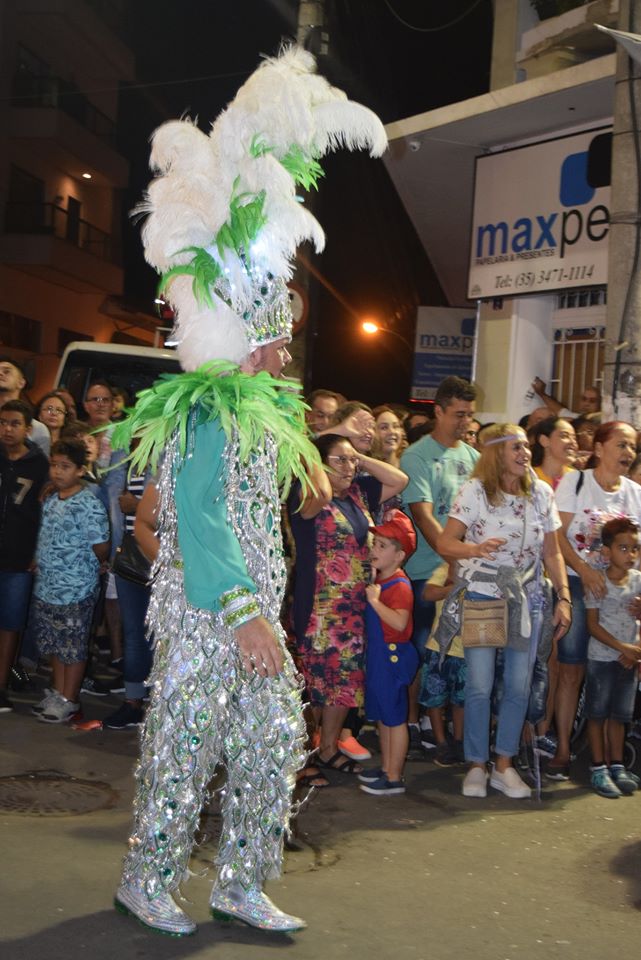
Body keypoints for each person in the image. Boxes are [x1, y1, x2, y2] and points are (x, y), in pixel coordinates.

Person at [111, 45, 387, 936]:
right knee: (186, 743)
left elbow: (265, 509)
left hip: (255, 608)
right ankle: (147, 880)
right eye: (274, 338)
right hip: (210, 611)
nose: (283, 351)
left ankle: (240, 880)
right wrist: (243, 614)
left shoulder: (264, 413)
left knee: (271, 742)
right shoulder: (206, 407)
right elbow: (196, 516)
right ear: (243, 331)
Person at [436, 423, 571, 799]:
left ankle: (504, 764)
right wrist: (474, 550)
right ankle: (476, 765)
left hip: (527, 598)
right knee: (479, 684)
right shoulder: (475, 491)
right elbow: (446, 543)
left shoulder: (541, 493)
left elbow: (553, 553)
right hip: (483, 595)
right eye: (516, 447)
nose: (525, 453)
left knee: (518, 685)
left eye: (526, 446)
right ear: (497, 453)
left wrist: (564, 598)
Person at [288, 434, 407, 773]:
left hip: (355, 607)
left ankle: (328, 748)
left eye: (352, 460)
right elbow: (323, 493)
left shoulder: (358, 493)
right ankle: (304, 754)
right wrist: (317, 461)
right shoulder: (305, 493)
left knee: (345, 682)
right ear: (318, 463)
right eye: (340, 460)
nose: (349, 467)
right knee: (315, 682)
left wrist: (359, 458)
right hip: (320, 606)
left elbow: (399, 480)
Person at [547, 421, 641, 780]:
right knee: (572, 669)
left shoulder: (635, 493)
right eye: (621, 445)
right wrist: (585, 572)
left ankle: (609, 757)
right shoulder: (576, 482)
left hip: (619, 594)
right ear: (599, 448)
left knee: (617, 667)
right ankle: (563, 747)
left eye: (632, 446)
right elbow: (557, 535)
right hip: (577, 582)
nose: (628, 453)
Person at [400, 375, 479, 755]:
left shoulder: (474, 459)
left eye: (470, 415)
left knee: (459, 655)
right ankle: (412, 722)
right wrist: (453, 558)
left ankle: (450, 729)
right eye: (459, 414)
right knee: (421, 651)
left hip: (466, 574)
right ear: (439, 412)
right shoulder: (417, 456)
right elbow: (424, 517)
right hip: (425, 571)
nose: (465, 422)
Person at [28, 438, 110, 723]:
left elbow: (101, 546)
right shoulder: (51, 499)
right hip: (48, 586)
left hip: (76, 589)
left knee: (73, 646)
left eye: (65, 466)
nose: (57, 472)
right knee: (55, 642)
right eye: (54, 465)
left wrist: (92, 566)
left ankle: (70, 699)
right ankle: (58, 692)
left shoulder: (88, 504)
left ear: (80, 470)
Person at [358, 510, 417, 795]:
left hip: (391, 658)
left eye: (382, 546)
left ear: (399, 555)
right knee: (383, 717)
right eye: (375, 544)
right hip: (378, 657)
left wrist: (375, 603)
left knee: (394, 718)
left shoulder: (399, 585)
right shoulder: (381, 581)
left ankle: (394, 777)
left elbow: (400, 622)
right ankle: (386, 768)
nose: (374, 550)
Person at [583, 517, 641, 798]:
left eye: (635, 548)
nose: (631, 554)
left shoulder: (639, 581)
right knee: (597, 714)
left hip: (629, 660)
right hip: (603, 658)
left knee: (619, 716)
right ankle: (598, 767)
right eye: (623, 548)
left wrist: (636, 650)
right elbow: (592, 625)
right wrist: (622, 648)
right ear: (607, 551)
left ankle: (617, 765)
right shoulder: (597, 581)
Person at [0, 400, 49, 711]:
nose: (7, 429)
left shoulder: (40, 465)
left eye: (15, 423)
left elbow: (44, 512)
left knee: (10, 624)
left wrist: (37, 551)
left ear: (28, 429)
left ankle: (1, 685)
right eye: (3, 422)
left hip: (19, 555)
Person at [0, 356, 50, 455]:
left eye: (6, 371)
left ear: (21, 383)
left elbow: (40, 464)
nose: (0, 373)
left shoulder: (38, 430)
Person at [530, 417, 578, 490]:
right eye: (564, 436)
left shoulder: (577, 479)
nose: (573, 442)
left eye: (575, 438)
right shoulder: (529, 478)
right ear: (544, 440)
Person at [531, 377, 601, 420]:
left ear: (600, 405)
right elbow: (558, 410)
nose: (586, 403)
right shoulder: (575, 417)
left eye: (592, 401)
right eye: (584, 399)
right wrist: (542, 394)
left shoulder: (602, 424)